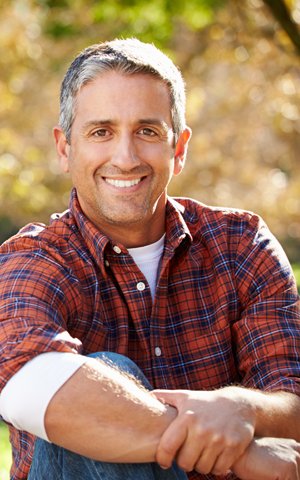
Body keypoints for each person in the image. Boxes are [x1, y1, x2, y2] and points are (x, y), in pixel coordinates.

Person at [0, 38, 299, 480]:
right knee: (104, 378)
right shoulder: (36, 259)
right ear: (65, 148)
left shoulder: (241, 246)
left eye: (148, 131)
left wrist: (242, 407)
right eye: (101, 132)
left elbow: (292, 400)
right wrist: (234, 451)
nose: (125, 157)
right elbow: (29, 386)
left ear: (178, 148)